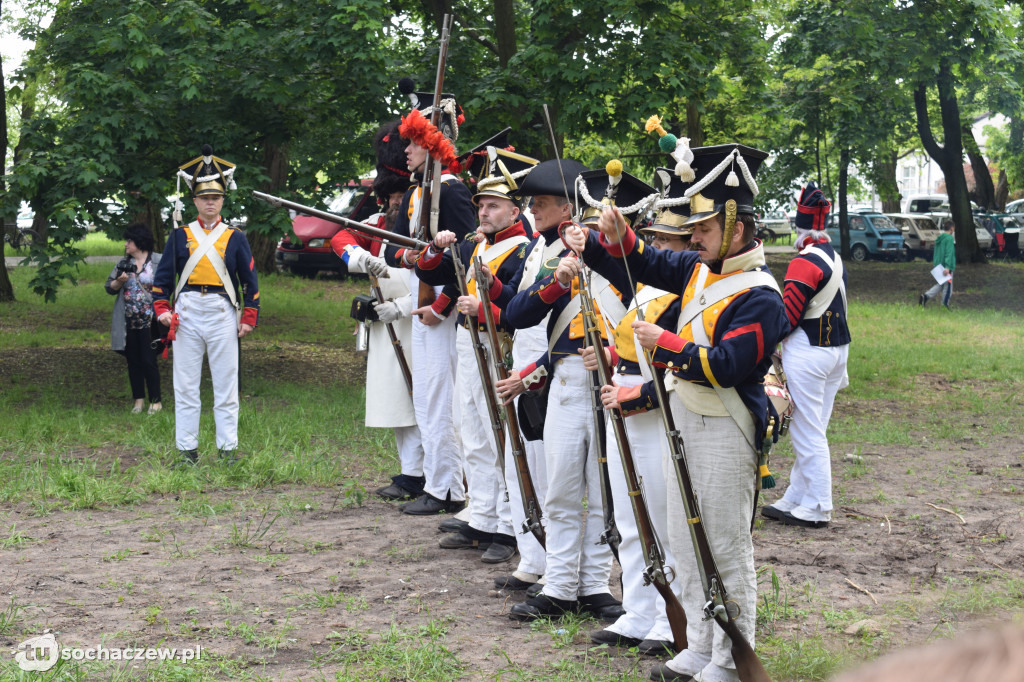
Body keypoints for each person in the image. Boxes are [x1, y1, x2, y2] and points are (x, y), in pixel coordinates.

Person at [587, 144, 787, 682]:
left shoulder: (761, 295)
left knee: (722, 544)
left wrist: (665, 344)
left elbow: (726, 366)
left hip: (726, 427)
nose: (692, 237)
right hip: (685, 421)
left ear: (736, 229)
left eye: (703, 227)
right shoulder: (704, 270)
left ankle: (729, 657)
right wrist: (611, 236)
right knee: (684, 537)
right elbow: (647, 260)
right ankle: (701, 645)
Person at [500, 162, 656, 624]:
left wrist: (609, 349)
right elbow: (516, 313)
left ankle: (592, 584)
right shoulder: (561, 260)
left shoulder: (634, 267)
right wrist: (558, 283)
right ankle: (560, 584)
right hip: (568, 380)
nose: (594, 234)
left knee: (606, 492)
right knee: (563, 490)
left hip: (614, 382)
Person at [578, 166, 693, 656]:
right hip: (620, 392)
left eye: (671, 238)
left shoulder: (689, 285)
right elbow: (625, 336)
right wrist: (609, 359)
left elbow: (685, 358)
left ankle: (675, 620)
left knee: (664, 514)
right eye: (656, 237)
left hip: (655, 400)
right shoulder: (646, 281)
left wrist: (639, 396)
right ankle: (639, 609)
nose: (660, 245)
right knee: (629, 509)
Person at [416, 146, 537, 563]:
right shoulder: (474, 244)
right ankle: (483, 513)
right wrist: (436, 244)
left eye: (494, 205)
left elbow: (522, 310)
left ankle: (508, 523)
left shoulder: (525, 251)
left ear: (514, 210)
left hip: (497, 345)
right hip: (469, 343)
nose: (484, 212)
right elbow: (431, 273)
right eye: (482, 205)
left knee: (498, 432)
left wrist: (483, 309)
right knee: (471, 427)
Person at [383, 81, 476, 515]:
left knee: (442, 398)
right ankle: (438, 482)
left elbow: (470, 254)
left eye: (414, 144)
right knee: (426, 397)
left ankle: (449, 489)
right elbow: (392, 249)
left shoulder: (452, 190)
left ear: (432, 147)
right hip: (422, 298)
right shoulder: (419, 192)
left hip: (439, 304)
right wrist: (408, 254)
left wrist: (443, 305)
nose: (406, 152)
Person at [332, 120, 426, 502]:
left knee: (426, 400)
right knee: (397, 399)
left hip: (420, 315)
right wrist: (359, 256)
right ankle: (410, 472)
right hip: (387, 319)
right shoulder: (379, 223)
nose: (393, 204)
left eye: (399, 196)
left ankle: (434, 473)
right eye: (390, 197)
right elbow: (341, 236)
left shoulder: (425, 221)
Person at [153, 146, 259, 466]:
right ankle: (187, 452)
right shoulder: (180, 235)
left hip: (221, 312)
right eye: (204, 197)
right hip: (186, 314)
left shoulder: (235, 236)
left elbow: (249, 281)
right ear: (195, 201)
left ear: (223, 200)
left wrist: (249, 317)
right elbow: (163, 280)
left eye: (215, 197)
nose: (210, 202)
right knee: (185, 386)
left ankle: (228, 451)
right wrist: (162, 310)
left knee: (226, 386)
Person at [761, 182, 850, 529]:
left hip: (809, 351)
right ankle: (797, 496)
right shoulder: (834, 256)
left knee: (807, 431)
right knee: (814, 428)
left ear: (799, 228)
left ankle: (818, 505)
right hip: (836, 351)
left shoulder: (803, 262)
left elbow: (788, 315)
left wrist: (767, 342)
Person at [105, 223, 163, 415]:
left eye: (129, 241)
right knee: (133, 361)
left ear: (139, 241)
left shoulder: (157, 261)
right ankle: (138, 401)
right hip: (129, 320)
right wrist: (118, 282)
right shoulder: (123, 263)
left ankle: (156, 402)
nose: (125, 244)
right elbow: (109, 288)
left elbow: (169, 286)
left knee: (148, 360)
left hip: (151, 321)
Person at [920, 219, 955, 308]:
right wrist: (947, 267)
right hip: (946, 267)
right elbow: (949, 253)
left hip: (938, 265)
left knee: (941, 285)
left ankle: (925, 296)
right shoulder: (949, 238)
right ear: (951, 228)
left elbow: (937, 253)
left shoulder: (939, 238)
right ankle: (944, 304)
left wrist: (936, 264)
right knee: (948, 287)